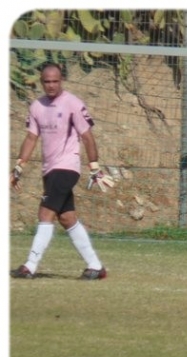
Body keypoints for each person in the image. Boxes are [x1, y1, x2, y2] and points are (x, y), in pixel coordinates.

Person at [10, 62, 114, 280]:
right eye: (47, 81)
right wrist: (19, 166)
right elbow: (31, 138)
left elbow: (87, 137)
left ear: (62, 80)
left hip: (67, 167)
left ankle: (30, 266)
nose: (51, 85)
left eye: (55, 81)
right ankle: (96, 267)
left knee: (45, 213)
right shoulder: (37, 106)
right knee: (67, 218)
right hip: (49, 170)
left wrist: (94, 166)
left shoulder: (73, 103)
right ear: (41, 82)